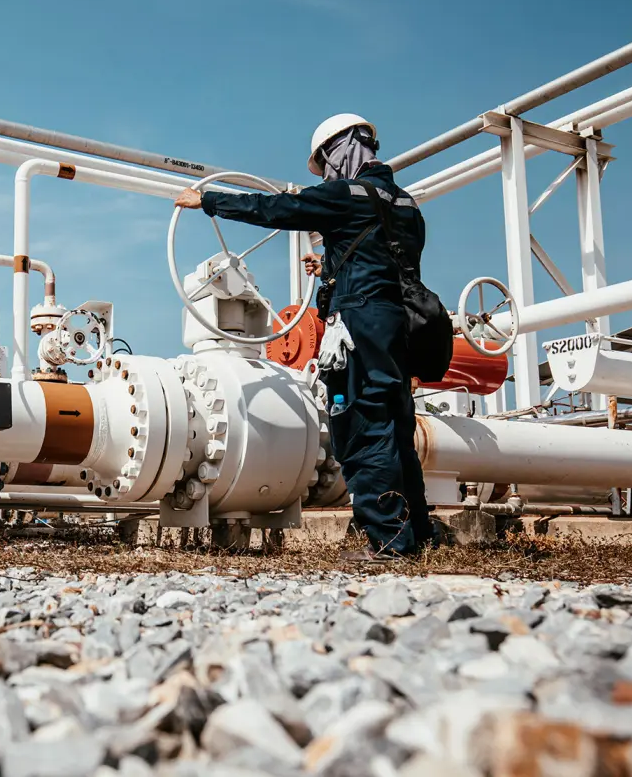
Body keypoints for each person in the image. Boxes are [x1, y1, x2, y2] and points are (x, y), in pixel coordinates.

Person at [175, 114, 438, 561]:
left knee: (362, 425)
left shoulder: (345, 194)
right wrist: (330, 267)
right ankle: (417, 533)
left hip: (359, 324)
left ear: (340, 151)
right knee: (397, 425)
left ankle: (388, 541)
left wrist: (209, 201)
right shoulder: (407, 204)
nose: (327, 171)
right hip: (396, 326)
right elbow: (382, 260)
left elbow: (277, 210)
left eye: (326, 161)